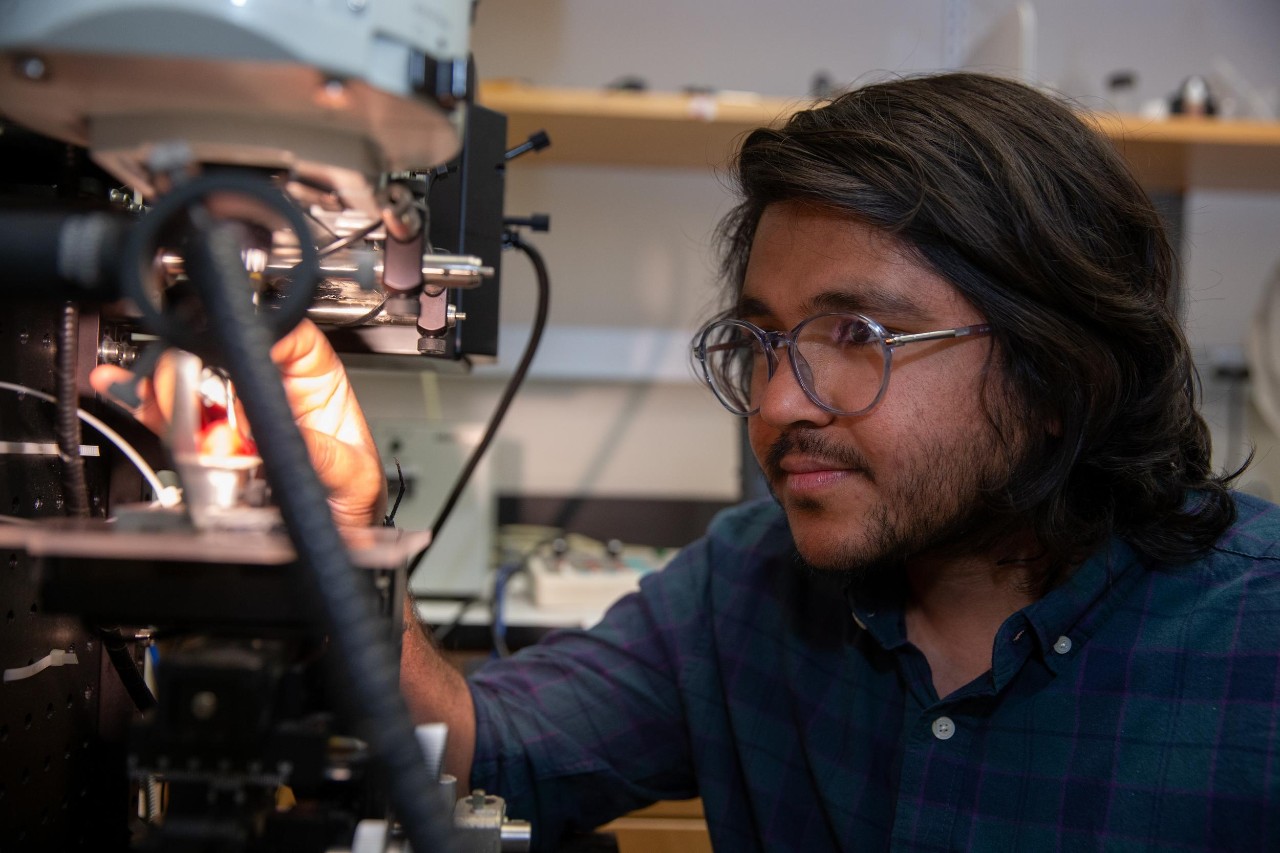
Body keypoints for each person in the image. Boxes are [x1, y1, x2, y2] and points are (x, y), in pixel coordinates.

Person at [93, 71, 1280, 851]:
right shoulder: (748, 584)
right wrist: (336, 519)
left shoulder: (1255, 644)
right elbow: (484, 749)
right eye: (761, 341)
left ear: (1053, 368)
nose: (774, 403)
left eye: (853, 336)